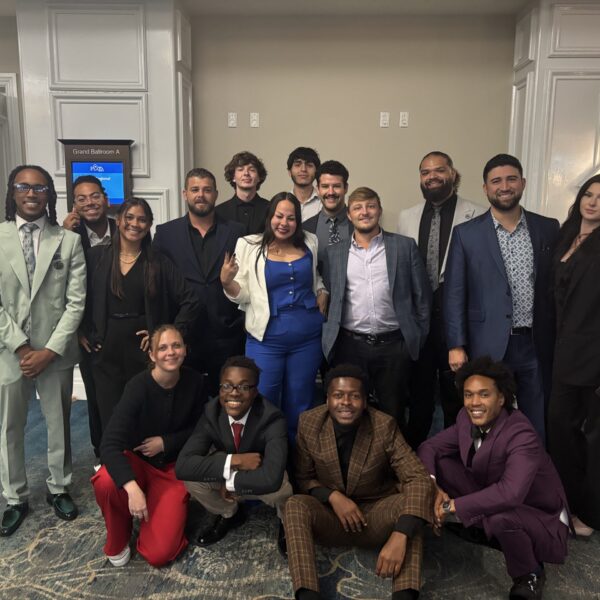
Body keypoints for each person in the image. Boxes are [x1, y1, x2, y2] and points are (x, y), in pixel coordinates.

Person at [418, 357, 570, 600]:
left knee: (501, 517)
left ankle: (530, 573)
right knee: (443, 465)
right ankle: (483, 528)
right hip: (495, 490)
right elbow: (429, 447)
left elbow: (511, 494)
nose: (474, 402)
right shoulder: (465, 417)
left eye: (484, 394)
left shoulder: (521, 434)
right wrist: (433, 487)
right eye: (468, 395)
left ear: (501, 398)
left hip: (540, 514)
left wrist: (448, 506)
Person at [284, 364, 434, 600]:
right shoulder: (310, 422)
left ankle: (405, 594)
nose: (346, 402)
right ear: (327, 399)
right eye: (338, 395)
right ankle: (307, 595)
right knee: (294, 505)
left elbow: (418, 477)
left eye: (354, 396)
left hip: (374, 516)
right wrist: (332, 497)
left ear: (365, 401)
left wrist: (401, 534)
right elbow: (303, 478)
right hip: (331, 517)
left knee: (412, 506)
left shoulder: (384, 425)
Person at [444, 154, 559, 442]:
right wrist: (456, 344)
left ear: (523, 183)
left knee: (537, 420)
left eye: (511, 179)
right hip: (488, 343)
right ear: (486, 188)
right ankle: (492, 469)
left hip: (535, 342)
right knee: (489, 421)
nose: (504, 186)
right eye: (496, 181)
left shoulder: (548, 228)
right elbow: (454, 293)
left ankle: (532, 468)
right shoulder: (466, 234)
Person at [0, 165, 86, 537]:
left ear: (49, 194)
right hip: (10, 352)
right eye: (24, 186)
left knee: (58, 422)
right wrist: (20, 346)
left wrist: (49, 350)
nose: (32, 193)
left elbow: (76, 302)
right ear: (13, 192)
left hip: (55, 351)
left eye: (40, 188)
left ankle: (59, 487)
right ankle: (15, 497)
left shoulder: (68, 241)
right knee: (9, 426)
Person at [82, 197, 199, 438]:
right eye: (129, 218)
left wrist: (164, 335)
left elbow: (192, 300)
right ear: (118, 220)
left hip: (142, 348)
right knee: (107, 408)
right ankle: (110, 455)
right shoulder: (96, 257)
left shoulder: (158, 262)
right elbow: (78, 297)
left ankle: (142, 457)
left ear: (149, 225)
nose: (135, 224)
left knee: (142, 408)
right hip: (104, 345)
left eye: (142, 219)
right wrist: (79, 331)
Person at [92, 325, 206, 567]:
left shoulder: (195, 381)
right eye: (162, 348)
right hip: (137, 465)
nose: (170, 352)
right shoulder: (137, 387)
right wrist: (132, 488)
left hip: (173, 470)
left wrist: (167, 442)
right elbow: (109, 443)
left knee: (160, 554)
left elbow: (203, 429)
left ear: (185, 350)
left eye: (176, 345)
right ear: (152, 355)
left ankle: (152, 512)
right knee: (106, 481)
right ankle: (118, 534)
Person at [220, 192, 328, 440]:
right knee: (262, 399)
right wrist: (227, 282)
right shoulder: (249, 246)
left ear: (298, 221)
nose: (284, 223)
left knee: (301, 400)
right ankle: (268, 454)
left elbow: (314, 277)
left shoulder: (310, 241)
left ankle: (297, 455)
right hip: (266, 339)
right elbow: (243, 293)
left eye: (291, 218)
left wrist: (323, 290)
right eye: (279, 216)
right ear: (270, 217)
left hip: (307, 338)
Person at [322, 186, 431, 430]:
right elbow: (332, 296)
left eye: (370, 206)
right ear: (349, 214)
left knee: (392, 414)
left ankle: (389, 457)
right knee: (349, 413)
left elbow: (422, 298)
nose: (365, 212)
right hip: (350, 346)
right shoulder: (335, 253)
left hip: (394, 347)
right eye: (357, 208)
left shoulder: (404, 246)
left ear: (379, 211)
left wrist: (415, 339)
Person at [398, 152, 485, 448]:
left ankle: (456, 451)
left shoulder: (477, 214)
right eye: (425, 172)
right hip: (420, 321)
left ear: (453, 174)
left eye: (439, 170)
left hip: (456, 319)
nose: (432, 176)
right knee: (419, 395)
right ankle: (416, 455)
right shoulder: (407, 217)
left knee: (455, 394)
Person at [176, 355, 291, 552]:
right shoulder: (211, 413)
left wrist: (230, 483)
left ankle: (288, 523)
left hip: (261, 475)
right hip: (230, 469)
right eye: (227, 386)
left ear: (255, 391)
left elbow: (272, 478)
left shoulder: (272, 418)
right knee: (192, 481)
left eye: (244, 387)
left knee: (282, 489)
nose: (234, 393)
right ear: (220, 389)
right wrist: (234, 461)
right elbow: (183, 466)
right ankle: (229, 513)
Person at [153, 168, 245, 396]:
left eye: (207, 190)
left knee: (227, 397)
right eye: (195, 190)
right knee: (184, 399)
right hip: (183, 332)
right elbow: (157, 284)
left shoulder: (237, 231)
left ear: (216, 194)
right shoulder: (166, 234)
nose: (200, 195)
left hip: (226, 332)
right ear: (185, 194)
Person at [548, 174, 600, 537]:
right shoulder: (564, 235)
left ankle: (590, 513)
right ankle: (566, 503)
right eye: (588, 194)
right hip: (560, 354)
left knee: (591, 440)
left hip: (593, 359)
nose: (593, 202)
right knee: (560, 432)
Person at [63, 175, 116, 462]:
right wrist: (77, 329)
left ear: (105, 198)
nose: (89, 203)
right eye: (81, 199)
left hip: (121, 326)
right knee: (96, 397)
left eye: (94, 196)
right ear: (74, 205)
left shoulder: (124, 229)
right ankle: (102, 454)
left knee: (126, 394)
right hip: (88, 331)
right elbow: (58, 288)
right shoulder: (67, 237)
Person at [303, 159, 353, 270]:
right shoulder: (305, 228)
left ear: (345, 188)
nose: (331, 192)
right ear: (318, 189)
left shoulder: (359, 224)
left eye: (336, 186)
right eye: (325, 186)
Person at [215, 151, 270, 234]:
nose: (246, 173)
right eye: (240, 169)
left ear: (259, 177)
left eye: (252, 170)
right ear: (233, 177)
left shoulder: (270, 209)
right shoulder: (219, 212)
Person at [287, 146, 321, 222]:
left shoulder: (325, 203)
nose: (303, 169)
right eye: (297, 165)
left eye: (309, 165)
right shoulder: (281, 203)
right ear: (289, 172)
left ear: (317, 172)